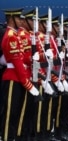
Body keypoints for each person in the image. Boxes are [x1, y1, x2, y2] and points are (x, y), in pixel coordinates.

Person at [0, 8, 41, 141]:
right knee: (10, 114)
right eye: (18, 18)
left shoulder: (15, 35)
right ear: (11, 18)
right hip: (13, 78)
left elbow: (23, 59)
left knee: (17, 113)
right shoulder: (11, 35)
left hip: (19, 77)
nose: (21, 21)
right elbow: (16, 62)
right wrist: (28, 84)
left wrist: (33, 59)